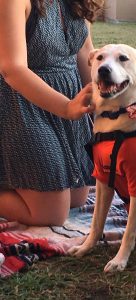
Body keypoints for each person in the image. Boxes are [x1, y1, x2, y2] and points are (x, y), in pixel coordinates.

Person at [0, 0, 104, 226]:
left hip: (68, 101)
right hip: (19, 105)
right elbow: (12, 69)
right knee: (50, 213)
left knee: (77, 197)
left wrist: (105, 103)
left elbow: (84, 52)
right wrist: (67, 107)